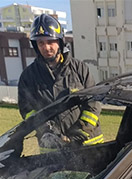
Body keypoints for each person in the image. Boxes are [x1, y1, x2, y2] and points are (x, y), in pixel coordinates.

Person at [18, 14, 102, 152]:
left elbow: (94, 103)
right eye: (41, 43)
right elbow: (28, 111)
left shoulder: (80, 69)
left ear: (60, 42)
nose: (46, 47)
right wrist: (45, 130)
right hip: (51, 149)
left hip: (88, 144)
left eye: (50, 41)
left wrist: (81, 130)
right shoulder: (28, 77)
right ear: (35, 45)